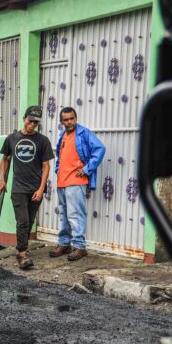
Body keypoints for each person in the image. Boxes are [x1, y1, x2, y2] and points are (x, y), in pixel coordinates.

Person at [0, 106, 54, 270]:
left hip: (36, 188)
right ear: (24, 118)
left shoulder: (43, 140)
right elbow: (5, 160)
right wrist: (2, 180)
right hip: (18, 188)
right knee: (22, 221)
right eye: (30, 121)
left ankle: (23, 247)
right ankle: (22, 253)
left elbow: (46, 166)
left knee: (29, 221)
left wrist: (41, 188)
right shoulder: (12, 138)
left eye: (35, 123)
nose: (32, 125)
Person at [48, 107, 106, 262]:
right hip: (62, 181)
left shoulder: (83, 133)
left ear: (76, 118)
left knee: (75, 214)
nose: (69, 122)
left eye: (71, 118)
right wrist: (58, 170)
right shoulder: (62, 135)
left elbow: (100, 149)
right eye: (66, 120)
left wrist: (87, 169)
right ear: (61, 122)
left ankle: (80, 246)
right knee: (64, 214)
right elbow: (60, 157)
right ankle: (64, 243)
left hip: (76, 181)